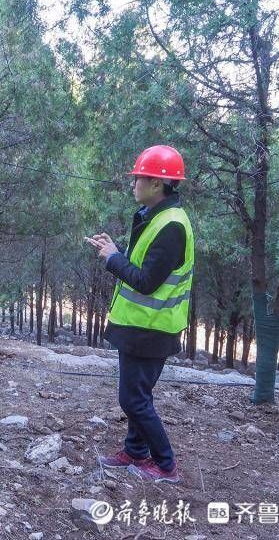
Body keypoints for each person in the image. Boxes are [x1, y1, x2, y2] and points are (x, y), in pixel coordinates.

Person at [86, 145, 193, 484]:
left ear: (157, 185)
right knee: (138, 396)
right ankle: (135, 450)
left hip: (152, 328)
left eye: (138, 178)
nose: (133, 183)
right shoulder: (157, 217)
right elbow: (145, 264)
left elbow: (147, 281)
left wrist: (111, 259)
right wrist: (116, 249)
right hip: (139, 326)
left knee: (133, 399)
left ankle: (165, 464)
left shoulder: (171, 226)